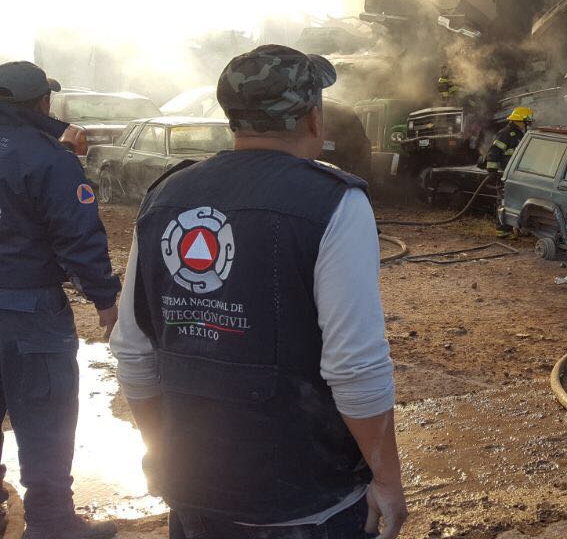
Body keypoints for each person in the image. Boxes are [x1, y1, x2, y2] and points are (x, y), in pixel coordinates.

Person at [109, 45, 408, 538]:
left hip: (194, 496)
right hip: (307, 501)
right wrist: (388, 480)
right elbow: (355, 365)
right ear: (314, 118)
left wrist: (166, 453)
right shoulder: (335, 201)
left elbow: (133, 351)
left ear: (233, 118)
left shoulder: (165, 196)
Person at [0, 61, 120, 539]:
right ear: (43, 103)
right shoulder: (49, 158)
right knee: (45, 421)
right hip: (29, 313)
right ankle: (51, 523)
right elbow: (77, 235)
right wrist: (105, 299)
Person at [485, 106, 534, 237]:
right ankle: (502, 230)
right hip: (505, 174)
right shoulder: (506, 133)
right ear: (520, 120)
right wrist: (492, 171)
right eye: (527, 121)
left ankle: (515, 227)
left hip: (515, 174)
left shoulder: (519, 134)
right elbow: (493, 152)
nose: (529, 124)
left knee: (514, 201)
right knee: (504, 201)